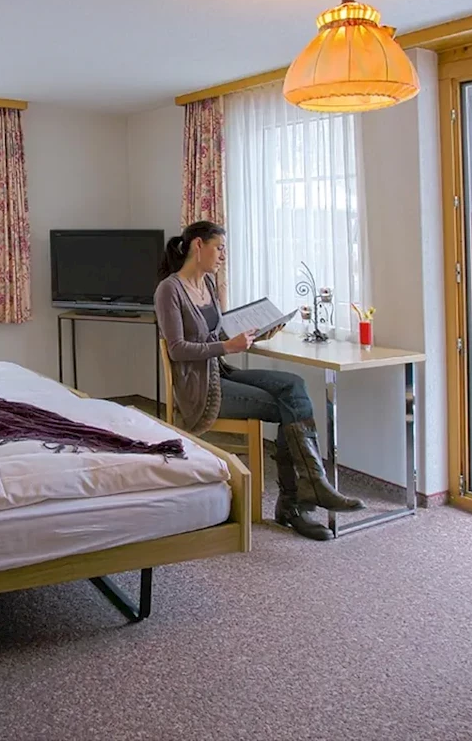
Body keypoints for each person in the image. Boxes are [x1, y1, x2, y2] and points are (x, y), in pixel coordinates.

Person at [154, 221, 365, 541]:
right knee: (289, 406)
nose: (223, 255)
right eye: (219, 248)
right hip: (199, 389)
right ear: (198, 245)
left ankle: (308, 490)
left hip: (220, 371)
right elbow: (178, 349)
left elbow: (216, 334)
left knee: (293, 385)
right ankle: (296, 502)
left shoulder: (208, 284)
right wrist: (228, 346)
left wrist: (256, 334)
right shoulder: (169, 290)